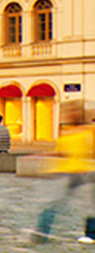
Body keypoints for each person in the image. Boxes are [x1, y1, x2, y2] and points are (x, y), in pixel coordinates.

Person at [35, 100, 95, 242]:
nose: (71, 115)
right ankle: (41, 232)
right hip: (70, 172)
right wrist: (40, 155)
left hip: (88, 172)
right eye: (69, 112)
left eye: (74, 112)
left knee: (91, 205)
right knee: (55, 202)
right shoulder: (66, 132)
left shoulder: (89, 131)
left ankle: (91, 234)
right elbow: (60, 152)